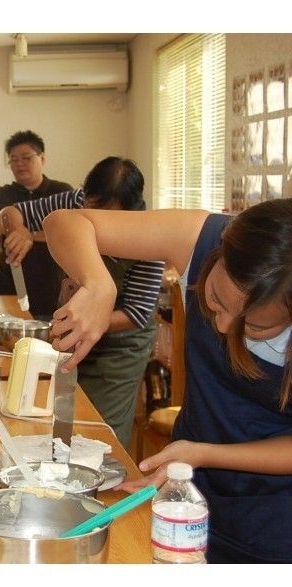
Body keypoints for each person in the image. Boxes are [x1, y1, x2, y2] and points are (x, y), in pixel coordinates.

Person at [43, 198, 292, 564]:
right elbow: (65, 221)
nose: (222, 328)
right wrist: (99, 285)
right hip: (186, 500)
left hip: (275, 528)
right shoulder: (200, 236)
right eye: (215, 300)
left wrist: (204, 453)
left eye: (255, 327)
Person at [0, 157, 164, 447]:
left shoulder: (150, 234)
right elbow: (8, 213)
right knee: (60, 419)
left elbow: (136, 312)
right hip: (74, 335)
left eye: (107, 213)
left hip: (119, 347)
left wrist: (85, 323)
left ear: (131, 209)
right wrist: (17, 228)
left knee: (101, 434)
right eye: (91, 206)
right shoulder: (73, 201)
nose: (94, 217)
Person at [0, 130, 73, 319]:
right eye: (13, 159)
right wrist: (18, 229)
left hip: (51, 286)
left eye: (26, 158)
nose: (19, 164)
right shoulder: (5, 193)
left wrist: (30, 235)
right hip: (11, 284)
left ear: (42, 158)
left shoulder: (61, 191)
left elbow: (68, 232)